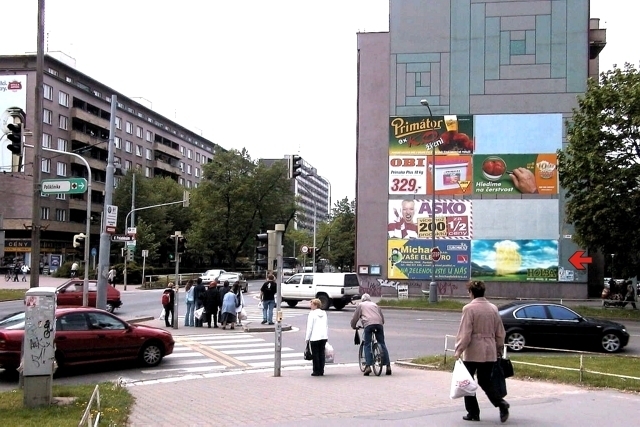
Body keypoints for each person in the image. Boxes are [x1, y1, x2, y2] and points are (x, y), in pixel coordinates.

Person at [454, 280, 510, 423]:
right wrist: (499, 347)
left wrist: (459, 350)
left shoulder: (469, 309)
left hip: (473, 350)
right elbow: (500, 331)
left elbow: (465, 333)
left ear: (471, 293)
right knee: (485, 381)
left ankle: (473, 413)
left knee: (466, 382)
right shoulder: (493, 308)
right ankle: (501, 403)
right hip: (489, 350)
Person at [350, 293, 392, 376]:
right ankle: (388, 366)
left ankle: (368, 366)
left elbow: (355, 318)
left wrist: (353, 326)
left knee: (367, 344)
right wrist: (380, 323)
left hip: (368, 325)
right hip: (379, 324)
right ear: (369, 299)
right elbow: (382, 318)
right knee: (382, 343)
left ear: (362, 299)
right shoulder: (375, 305)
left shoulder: (360, 305)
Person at [305, 298, 329, 376]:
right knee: (321, 353)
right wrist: (326, 335)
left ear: (315, 305)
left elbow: (310, 327)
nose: (310, 306)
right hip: (323, 336)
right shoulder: (324, 313)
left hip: (315, 336)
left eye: (311, 304)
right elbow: (326, 325)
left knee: (315, 354)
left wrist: (307, 338)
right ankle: (321, 370)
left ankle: (316, 370)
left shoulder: (312, 314)